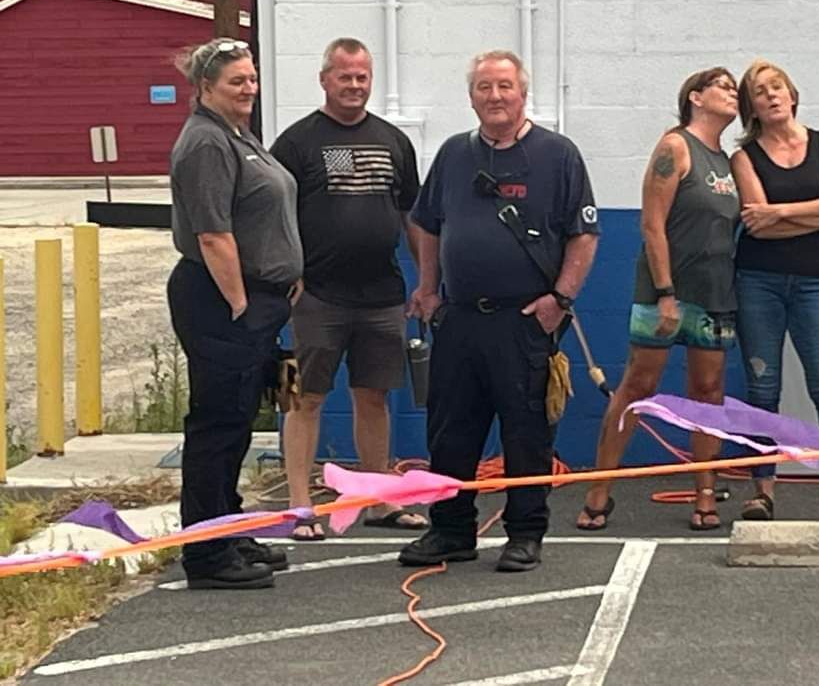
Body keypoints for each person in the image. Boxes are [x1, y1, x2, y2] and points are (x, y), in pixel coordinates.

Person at [399, 50, 600, 572]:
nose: (495, 97)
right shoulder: (453, 155)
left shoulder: (558, 155)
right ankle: (451, 530)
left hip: (524, 322)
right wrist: (428, 289)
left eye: (504, 86)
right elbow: (427, 224)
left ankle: (525, 534)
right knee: (450, 432)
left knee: (526, 433)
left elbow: (583, 233)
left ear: (523, 94)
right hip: (459, 319)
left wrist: (560, 299)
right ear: (471, 97)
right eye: (484, 87)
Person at [271, 38, 428, 540]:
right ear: (325, 80)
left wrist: (427, 281)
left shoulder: (394, 142)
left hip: (382, 296)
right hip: (316, 298)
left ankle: (378, 501)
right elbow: (272, 216)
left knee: (374, 398)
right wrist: (286, 274)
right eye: (345, 76)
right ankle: (300, 506)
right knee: (303, 399)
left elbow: (412, 216)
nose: (355, 85)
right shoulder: (295, 143)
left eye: (362, 77)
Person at [575, 67, 741, 531]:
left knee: (708, 392)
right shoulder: (675, 147)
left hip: (715, 294)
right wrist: (666, 293)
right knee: (638, 386)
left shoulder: (729, 162)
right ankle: (599, 490)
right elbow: (652, 223)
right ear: (695, 97)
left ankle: (704, 492)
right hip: (665, 292)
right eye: (723, 86)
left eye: (735, 89)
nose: (732, 93)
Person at [168, 38, 304, 589]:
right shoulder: (205, 142)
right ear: (205, 87)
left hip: (254, 300)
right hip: (220, 300)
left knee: (238, 423)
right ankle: (207, 554)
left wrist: (284, 276)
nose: (249, 88)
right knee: (217, 427)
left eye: (251, 78)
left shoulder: (236, 133)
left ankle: (229, 529)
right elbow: (213, 234)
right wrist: (242, 304)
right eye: (236, 81)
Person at [729, 59, 819, 522]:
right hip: (758, 282)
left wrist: (780, 212)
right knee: (762, 389)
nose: (770, 95)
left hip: (816, 283)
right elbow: (757, 226)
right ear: (751, 107)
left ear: (792, 95)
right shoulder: (743, 157)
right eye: (759, 92)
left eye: (777, 87)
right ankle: (762, 492)